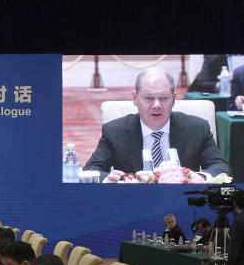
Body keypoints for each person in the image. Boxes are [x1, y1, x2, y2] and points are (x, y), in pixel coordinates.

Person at [83, 68, 231, 181]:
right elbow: (91, 169)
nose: (156, 105)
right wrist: (108, 179)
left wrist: (199, 178)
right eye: (148, 98)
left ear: (174, 99)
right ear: (135, 98)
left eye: (164, 98)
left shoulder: (197, 128)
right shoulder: (115, 131)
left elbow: (221, 167)